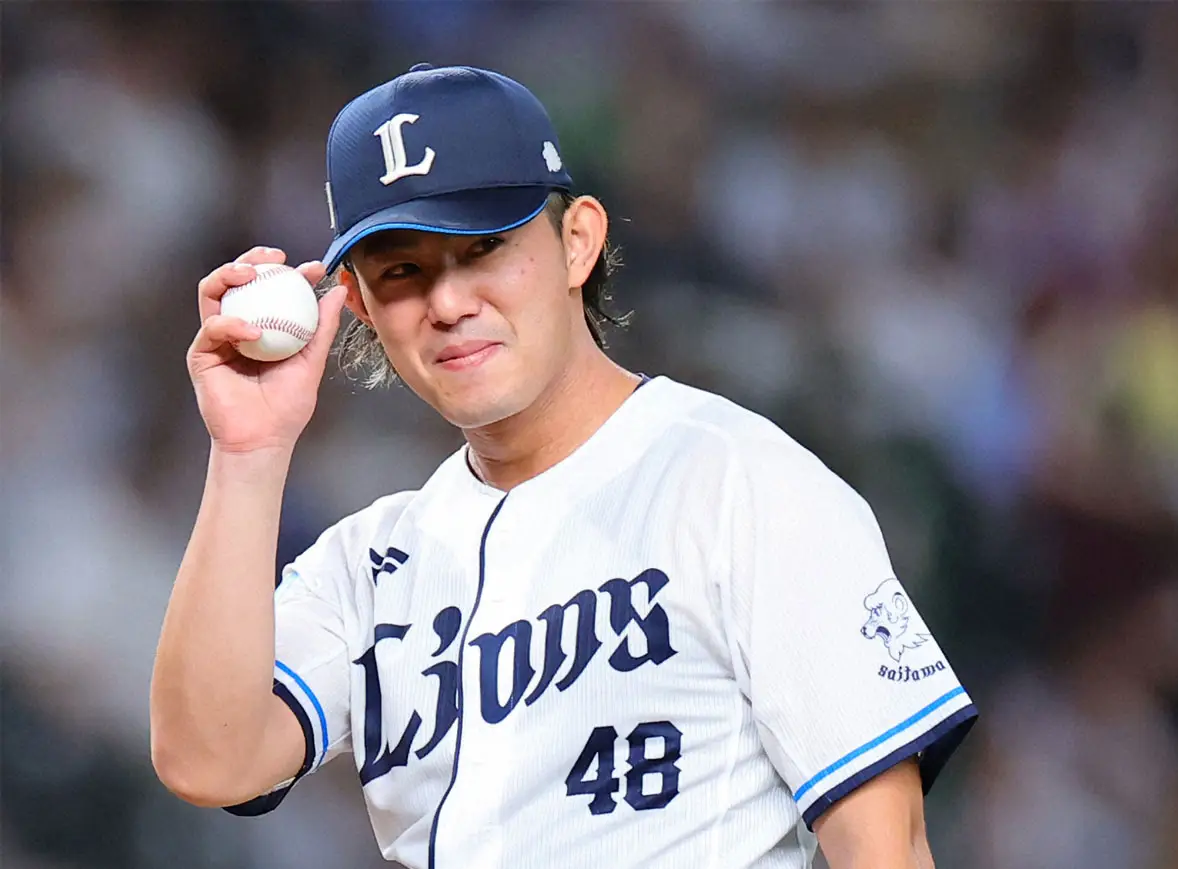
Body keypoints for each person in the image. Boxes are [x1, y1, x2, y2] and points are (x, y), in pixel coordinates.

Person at [150, 63, 977, 869]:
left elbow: (886, 848)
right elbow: (208, 761)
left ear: (578, 241)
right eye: (404, 270)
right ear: (360, 305)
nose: (449, 303)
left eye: (484, 247)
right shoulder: (365, 567)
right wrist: (248, 453)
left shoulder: (741, 482)